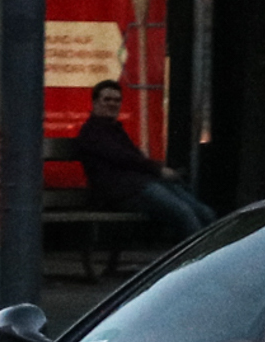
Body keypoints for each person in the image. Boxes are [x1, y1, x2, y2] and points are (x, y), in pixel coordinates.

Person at [74, 80, 216, 237]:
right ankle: (198, 258)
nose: (112, 104)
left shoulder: (114, 130)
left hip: (140, 185)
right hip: (123, 192)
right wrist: (158, 169)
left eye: (116, 100)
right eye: (107, 99)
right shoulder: (92, 133)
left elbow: (131, 158)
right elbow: (124, 158)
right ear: (95, 102)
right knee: (185, 214)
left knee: (204, 212)